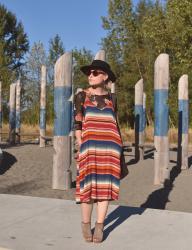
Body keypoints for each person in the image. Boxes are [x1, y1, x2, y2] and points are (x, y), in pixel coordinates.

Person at [73, 60, 122, 243]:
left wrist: (119, 148)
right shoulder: (81, 96)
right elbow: (77, 123)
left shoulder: (113, 98)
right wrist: (80, 144)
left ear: (105, 76)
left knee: (105, 189)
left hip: (110, 150)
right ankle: (86, 224)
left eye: (95, 72)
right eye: (89, 73)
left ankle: (100, 226)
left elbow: (114, 123)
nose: (90, 75)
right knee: (87, 189)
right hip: (89, 149)